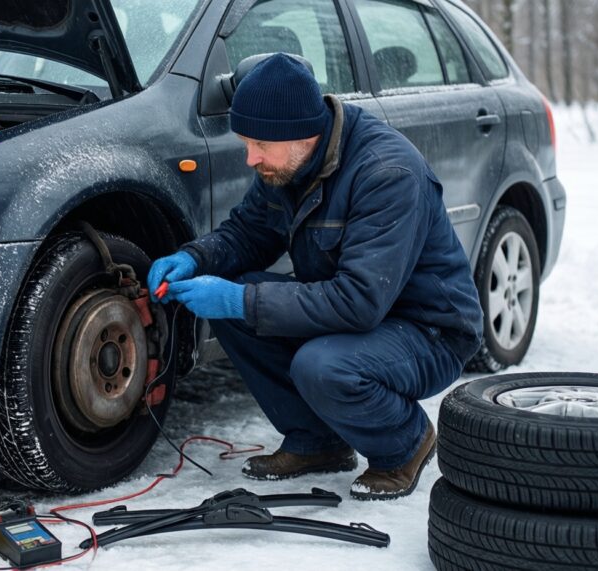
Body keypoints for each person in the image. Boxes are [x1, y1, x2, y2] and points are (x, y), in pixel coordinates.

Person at [148, 53, 483, 500]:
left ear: (302, 133)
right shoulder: (288, 161)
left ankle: (404, 444)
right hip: (363, 314)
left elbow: (359, 302)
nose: (251, 158)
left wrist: (237, 299)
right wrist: (193, 258)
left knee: (320, 363)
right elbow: (249, 232)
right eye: (247, 142)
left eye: (259, 145)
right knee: (241, 300)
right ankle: (316, 441)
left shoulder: (387, 173)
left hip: (428, 329)